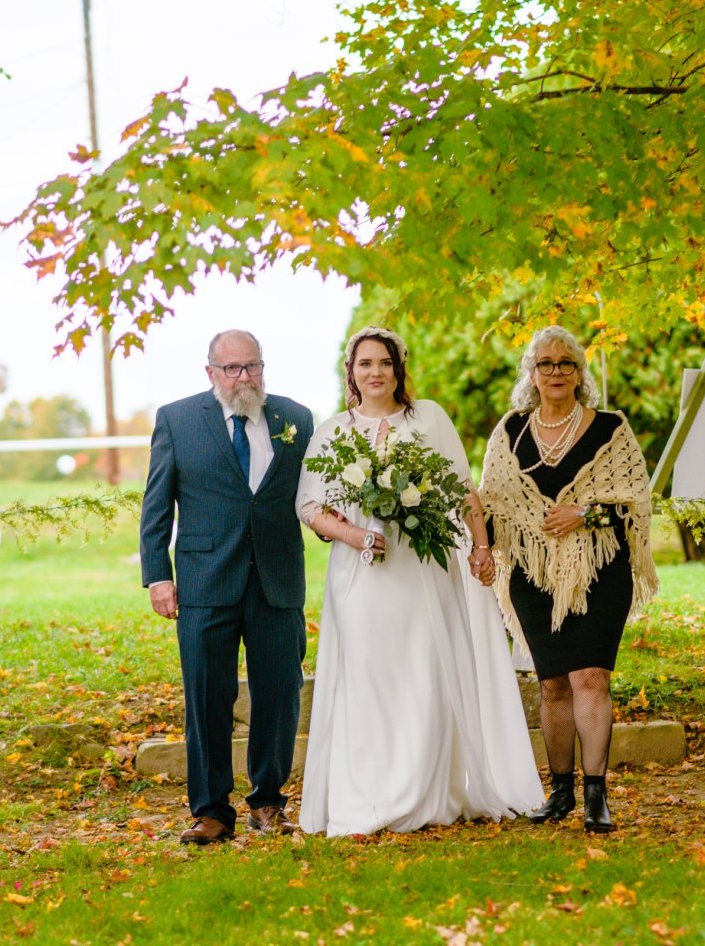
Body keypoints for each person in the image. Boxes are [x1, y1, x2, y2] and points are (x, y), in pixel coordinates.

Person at [295, 326, 543, 836]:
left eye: (384, 363)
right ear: (352, 372)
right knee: (368, 678)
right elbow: (309, 506)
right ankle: (366, 793)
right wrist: (355, 535)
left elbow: (461, 487)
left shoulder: (427, 417)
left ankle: (423, 791)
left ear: (398, 369)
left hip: (423, 569)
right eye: (365, 364)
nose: (376, 372)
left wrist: (480, 547)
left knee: (423, 672)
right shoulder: (333, 431)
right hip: (360, 575)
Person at [478, 326, 658, 834]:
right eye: (545, 363)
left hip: (600, 568)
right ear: (531, 374)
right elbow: (495, 502)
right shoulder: (510, 430)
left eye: (566, 363)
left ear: (579, 373)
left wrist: (585, 512)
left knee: (590, 678)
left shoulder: (610, 428)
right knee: (553, 684)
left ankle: (596, 794)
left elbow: (635, 500)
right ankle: (559, 791)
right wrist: (481, 546)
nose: (556, 372)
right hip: (532, 574)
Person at [139, 330, 314, 845]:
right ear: (210, 372)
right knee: (206, 698)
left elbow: (318, 492)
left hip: (277, 580)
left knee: (280, 694)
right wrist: (158, 574)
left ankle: (268, 801)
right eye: (233, 368)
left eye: (252, 366)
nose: (244, 378)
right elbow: (157, 503)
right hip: (204, 581)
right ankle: (211, 811)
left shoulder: (296, 419)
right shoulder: (178, 419)